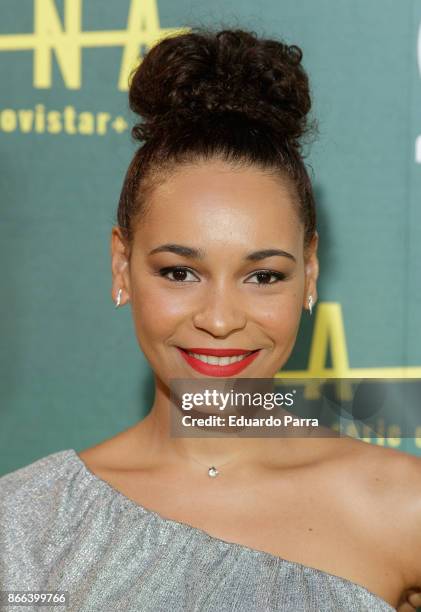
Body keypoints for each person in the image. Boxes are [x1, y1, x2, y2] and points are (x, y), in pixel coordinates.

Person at [1, 27, 421, 612]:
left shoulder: (405, 508)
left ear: (311, 274)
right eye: (179, 272)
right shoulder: (25, 527)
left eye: (263, 276)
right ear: (121, 265)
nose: (220, 320)